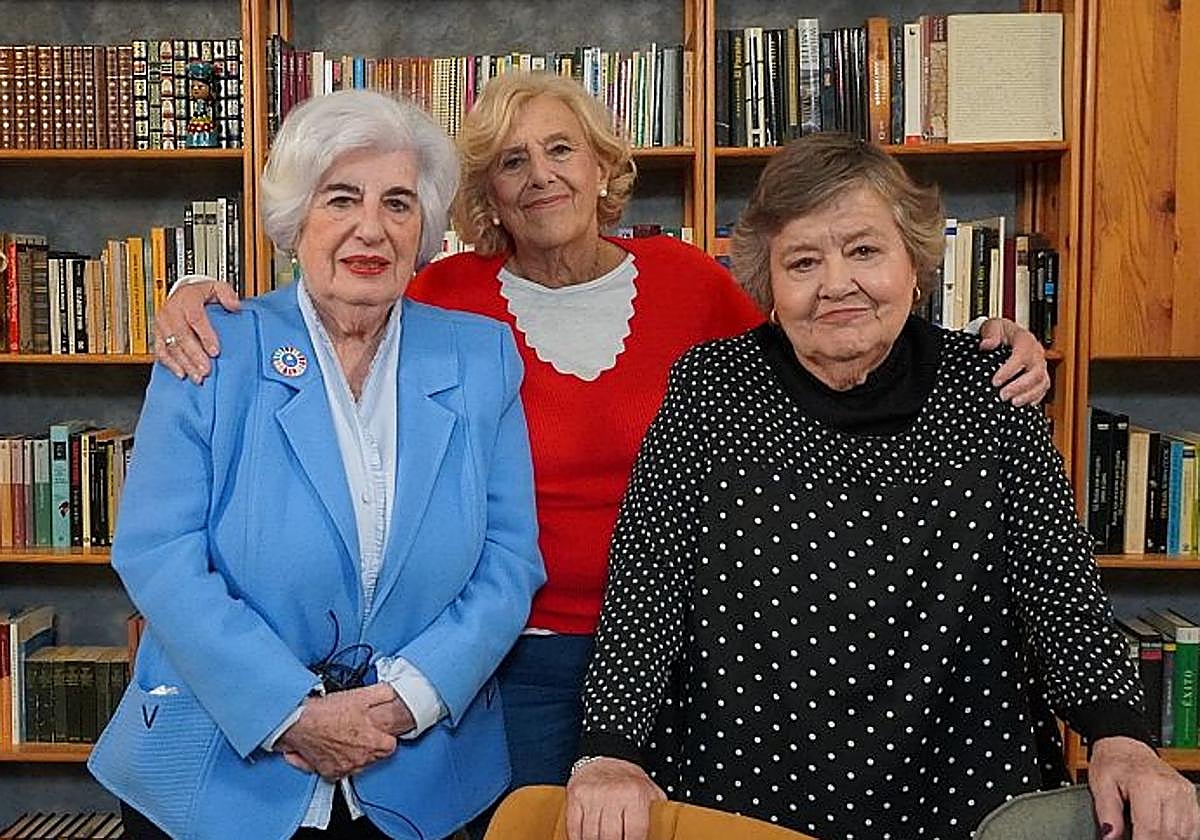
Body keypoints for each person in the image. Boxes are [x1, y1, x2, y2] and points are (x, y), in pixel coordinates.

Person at [151, 73, 1050, 797]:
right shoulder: (450, 298)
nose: (540, 174)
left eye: (560, 149)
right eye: (510, 161)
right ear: (485, 196)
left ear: (601, 165)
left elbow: (825, 341)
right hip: (512, 659)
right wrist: (195, 287)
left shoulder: (690, 281)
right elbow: (340, 300)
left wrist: (980, 344)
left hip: (695, 646)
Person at [565, 133, 1199, 840]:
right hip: (744, 787)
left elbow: (1055, 579)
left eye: (864, 250)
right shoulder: (710, 388)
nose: (836, 283)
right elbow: (649, 578)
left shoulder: (990, 385)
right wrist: (611, 749)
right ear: (768, 281)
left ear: (916, 262)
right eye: (803, 261)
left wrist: (1122, 735)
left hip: (962, 781)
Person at [87, 89, 545, 840]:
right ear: (296, 220)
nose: (372, 227)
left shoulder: (479, 357)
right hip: (223, 771)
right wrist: (287, 712)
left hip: (416, 763)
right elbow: (157, 551)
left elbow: (508, 559)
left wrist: (412, 697)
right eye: (342, 199)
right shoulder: (214, 348)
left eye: (399, 203)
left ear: (425, 229)